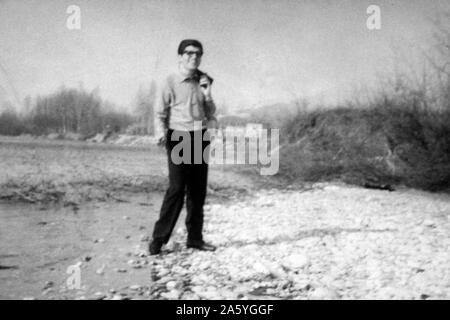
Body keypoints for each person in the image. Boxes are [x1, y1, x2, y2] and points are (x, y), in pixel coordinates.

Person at [149, 39, 218, 255]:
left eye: (198, 53)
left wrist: (207, 94)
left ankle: (195, 240)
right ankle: (158, 240)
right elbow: (159, 112)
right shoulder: (169, 80)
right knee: (177, 189)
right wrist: (160, 134)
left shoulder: (203, 80)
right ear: (180, 56)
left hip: (199, 137)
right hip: (178, 136)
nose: (193, 57)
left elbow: (211, 112)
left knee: (197, 192)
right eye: (188, 53)